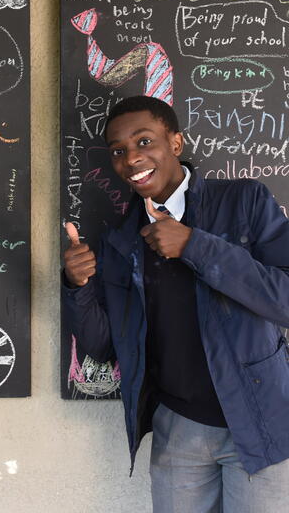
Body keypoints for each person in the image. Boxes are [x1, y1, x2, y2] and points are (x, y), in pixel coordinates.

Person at [61, 95, 289, 512]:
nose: (132, 158)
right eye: (118, 150)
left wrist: (195, 246)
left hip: (260, 420)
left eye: (144, 141)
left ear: (176, 143)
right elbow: (104, 345)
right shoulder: (123, 239)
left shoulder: (245, 201)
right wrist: (78, 285)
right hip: (178, 429)